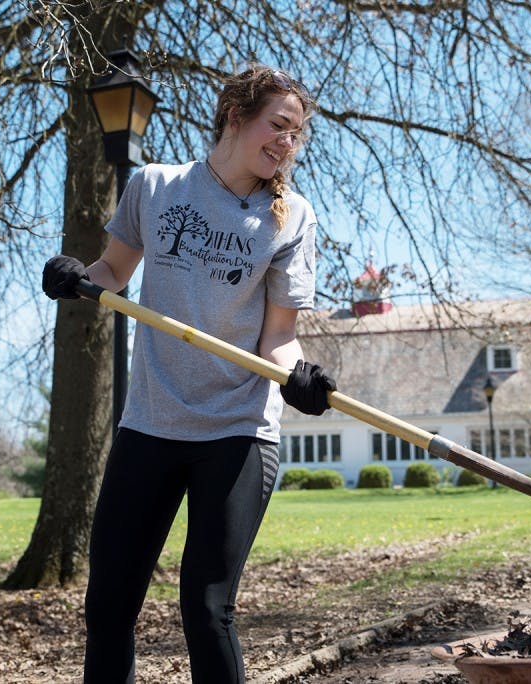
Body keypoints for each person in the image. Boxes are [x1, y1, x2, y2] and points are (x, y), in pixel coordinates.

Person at [41, 65, 335, 684]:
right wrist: (76, 278)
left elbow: (278, 338)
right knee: (109, 605)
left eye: (296, 134)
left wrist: (298, 378)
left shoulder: (292, 217)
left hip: (237, 429)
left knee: (206, 609)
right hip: (151, 422)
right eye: (278, 125)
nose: (287, 142)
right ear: (235, 115)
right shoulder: (155, 186)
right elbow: (112, 272)